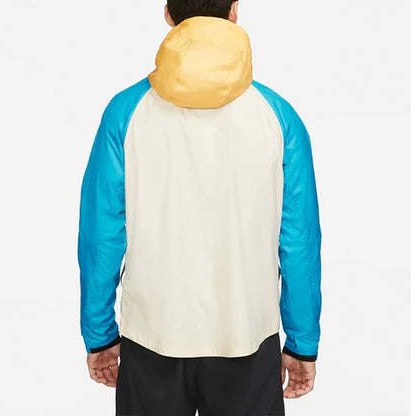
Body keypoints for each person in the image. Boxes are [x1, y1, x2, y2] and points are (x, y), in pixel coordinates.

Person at [77, 1, 322, 415]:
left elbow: (101, 235)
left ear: (168, 14)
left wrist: (99, 334)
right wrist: (302, 342)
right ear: (234, 10)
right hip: (246, 336)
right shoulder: (278, 117)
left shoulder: (126, 112)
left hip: (151, 337)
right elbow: (298, 241)